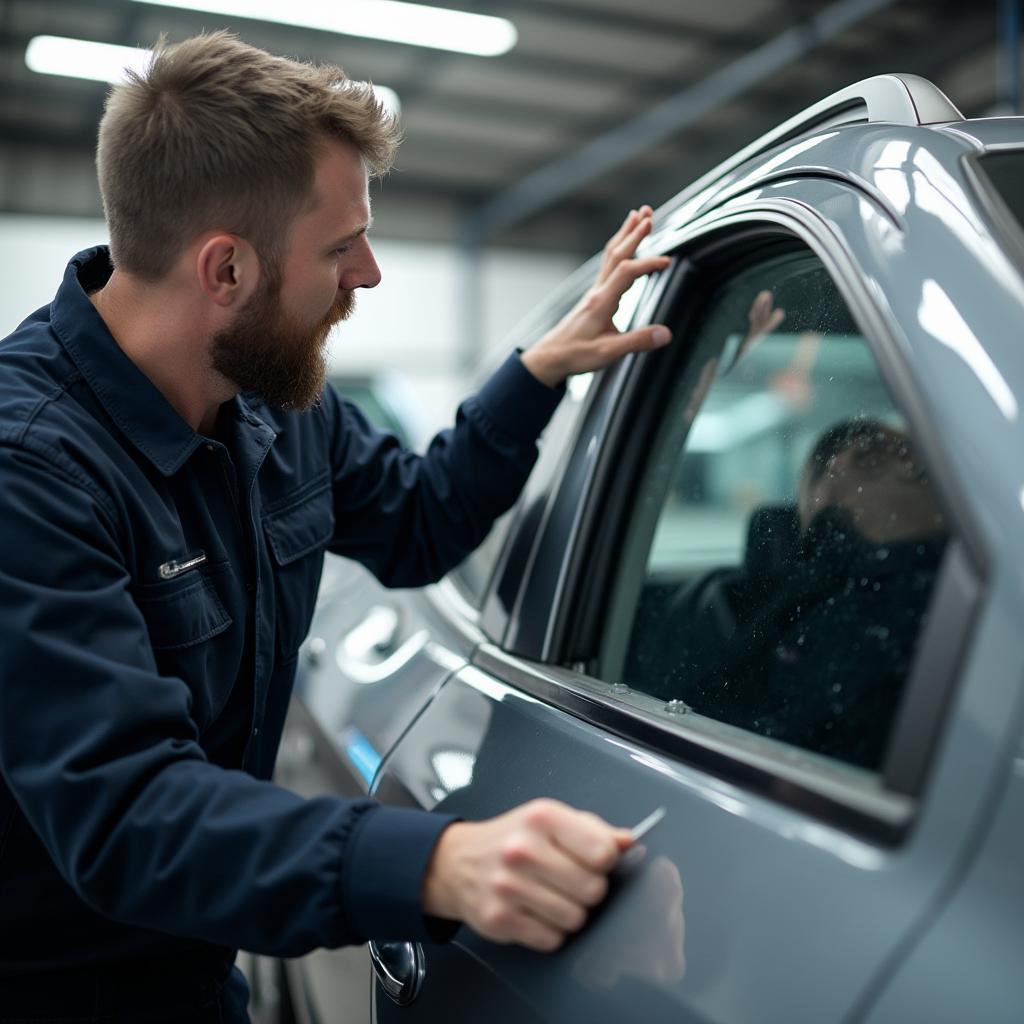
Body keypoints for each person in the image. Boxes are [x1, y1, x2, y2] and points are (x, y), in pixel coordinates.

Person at [0, 32, 675, 1022]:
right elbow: (127, 811)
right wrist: (435, 862)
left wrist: (534, 375)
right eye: (337, 245)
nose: (367, 274)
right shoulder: (30, 468)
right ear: (224, 270)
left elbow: (418, 521)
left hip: (192, 969)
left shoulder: (278, 408)